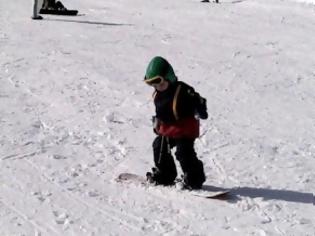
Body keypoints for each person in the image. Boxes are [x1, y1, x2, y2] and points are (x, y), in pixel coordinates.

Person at [144, 56, 208, 190]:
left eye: (160, 84)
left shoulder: (183, 90)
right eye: (154, 85)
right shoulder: (158, 95)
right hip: (169, 129)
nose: (158, 88)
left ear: (170, 77)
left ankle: (194, 179)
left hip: (185, 130)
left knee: (183, 152)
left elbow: (198, 99)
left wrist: (201, 109)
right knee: (159, 145)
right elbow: (161, 113)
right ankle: (165, 175)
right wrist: (157, 123)